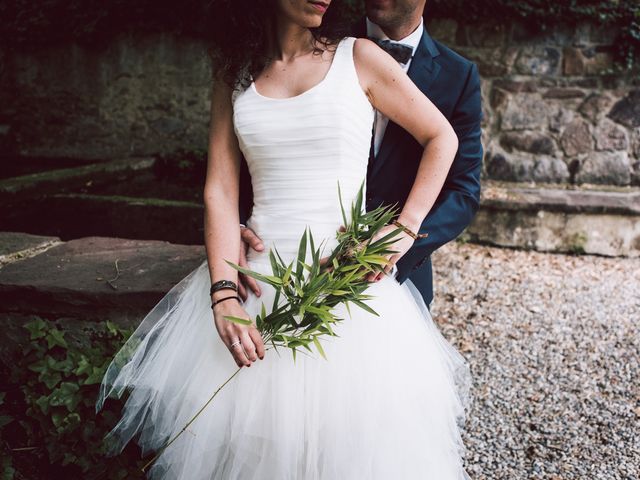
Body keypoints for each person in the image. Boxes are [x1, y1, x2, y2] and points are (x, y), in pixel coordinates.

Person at [97, 1, 472, 478]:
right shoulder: (233, 74)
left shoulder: (358, 56)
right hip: (257, 284)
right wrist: (222, 293)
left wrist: (401, 230)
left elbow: (442, 138)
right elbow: (220, 188)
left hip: (343, 287)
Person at [237, 0, 484, 309]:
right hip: (266, 267)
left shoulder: (458, 76)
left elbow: (463, 191)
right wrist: (234, 228)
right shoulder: (318, 39)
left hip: (394, 278)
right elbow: (257, 151)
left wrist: (402, 237)